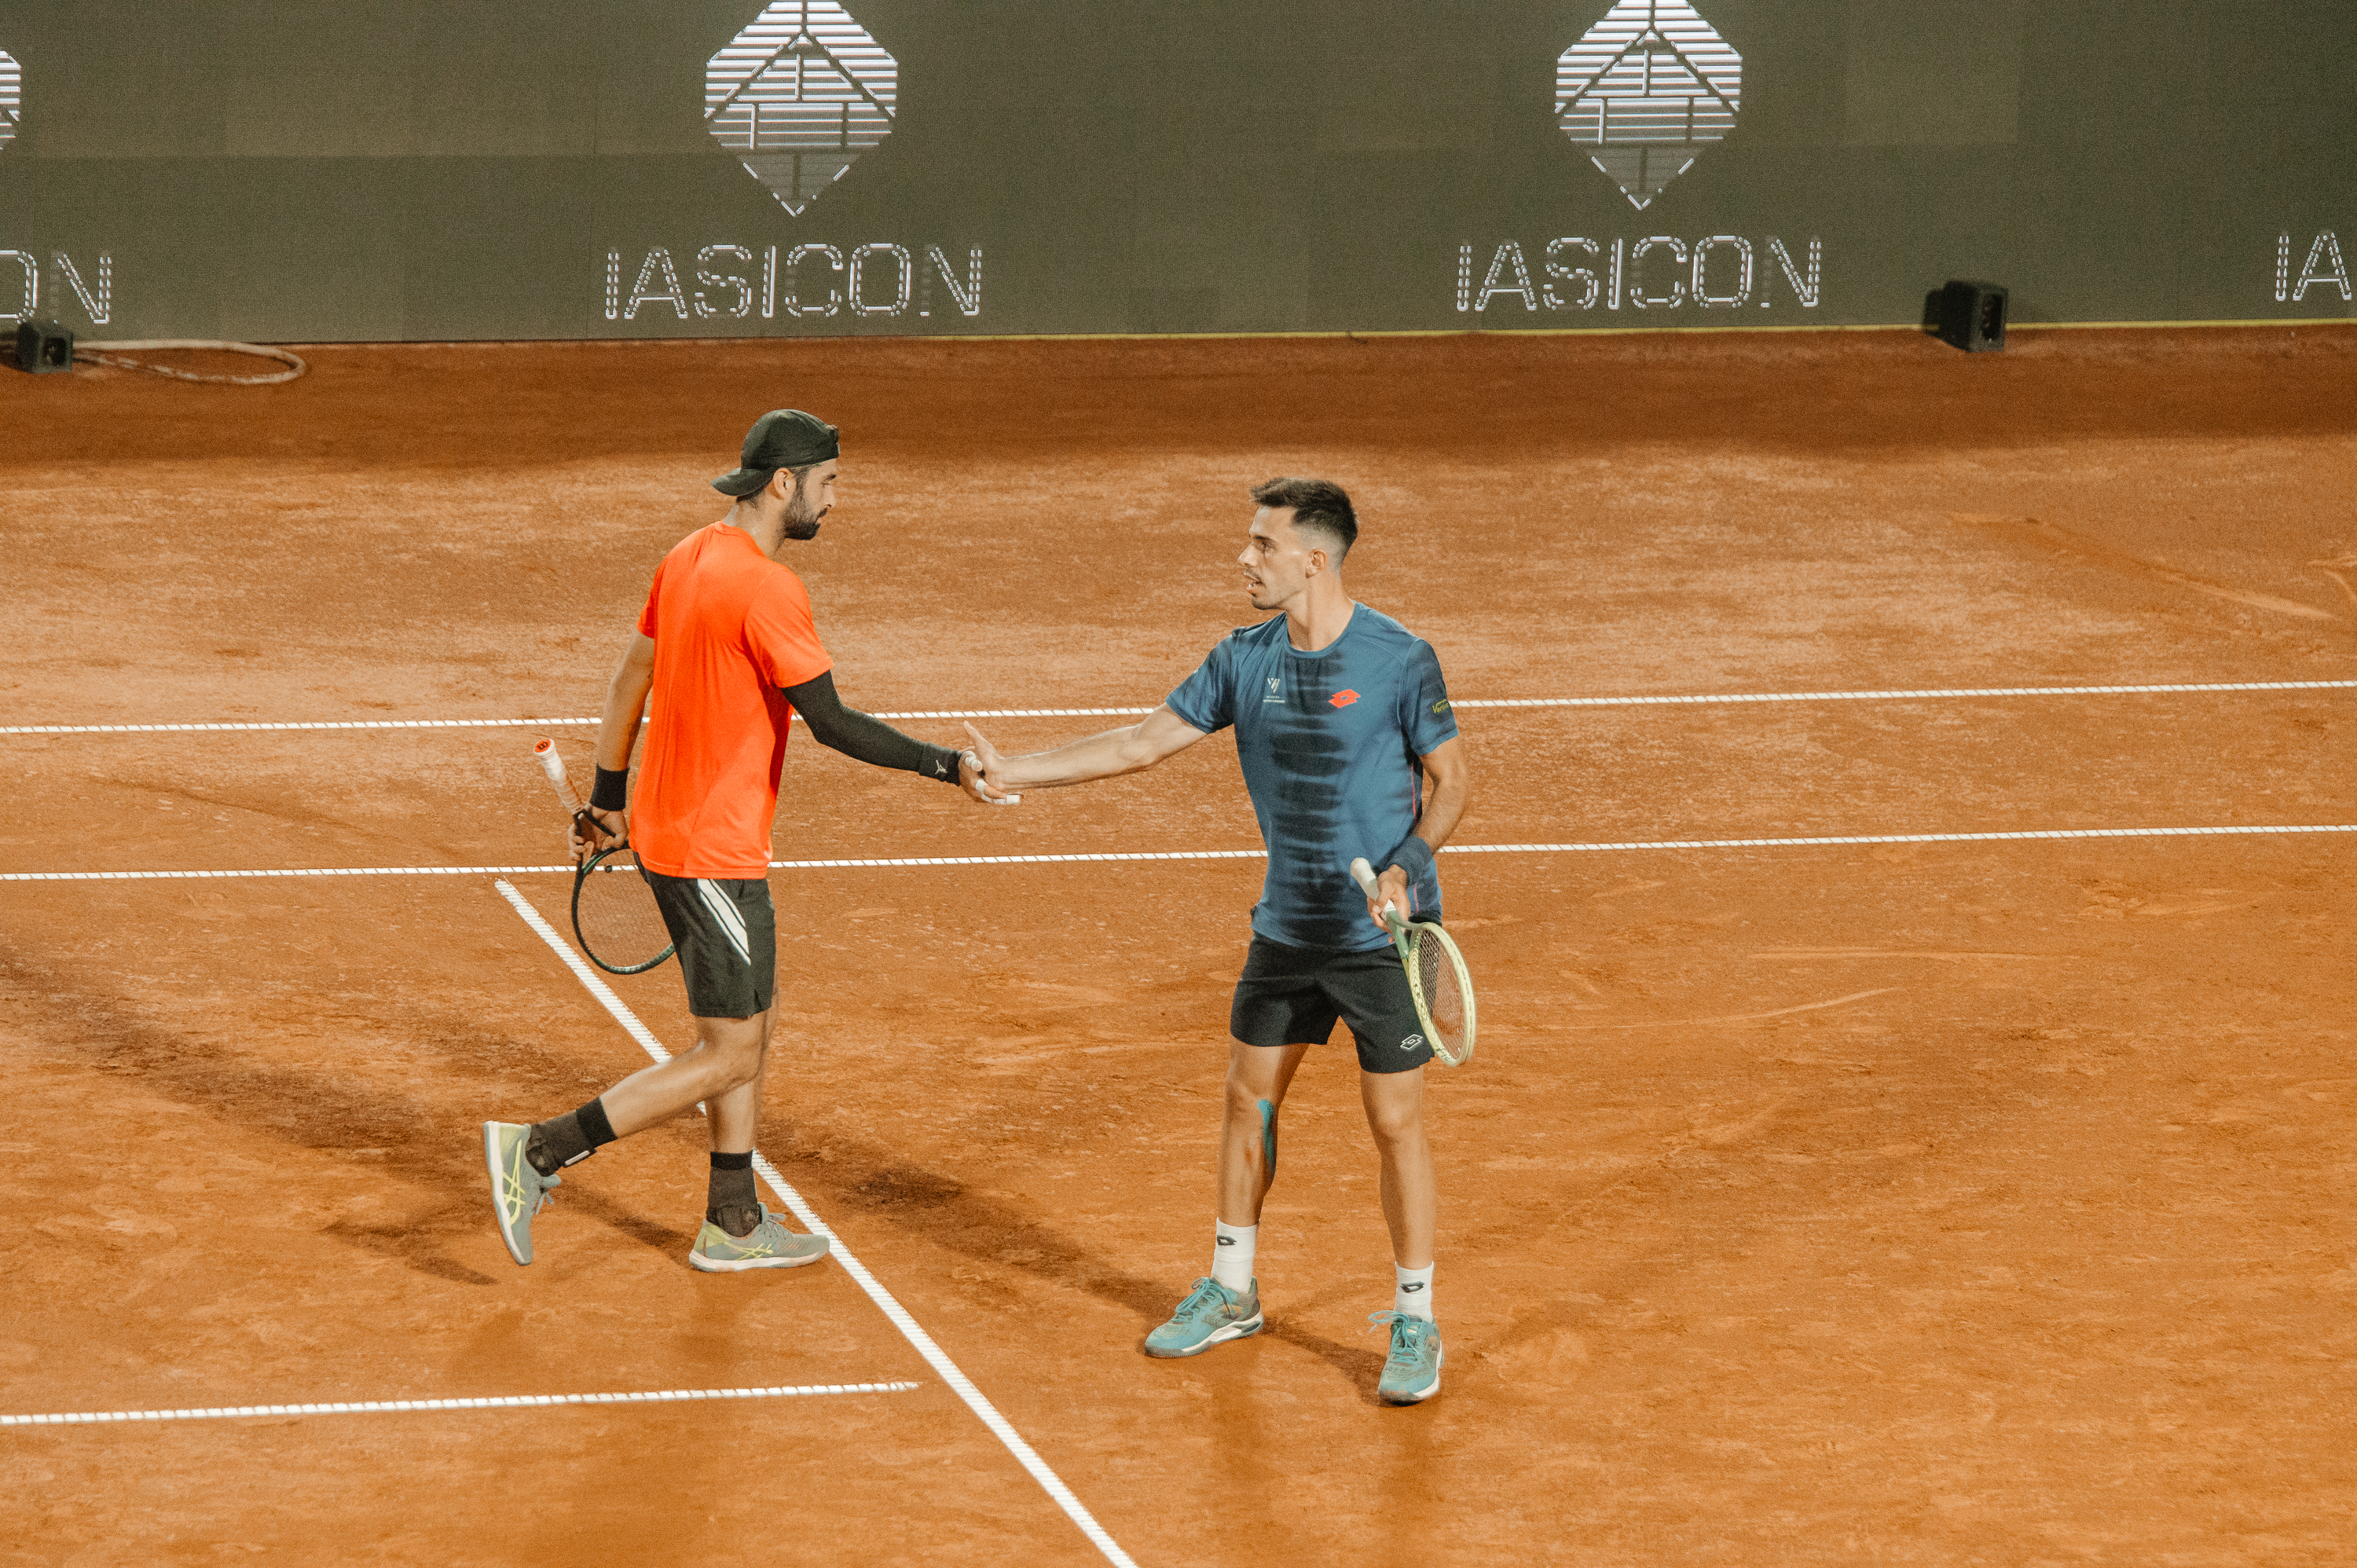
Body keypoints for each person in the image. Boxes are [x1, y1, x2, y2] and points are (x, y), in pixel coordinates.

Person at [963, 477, 1468, 1405]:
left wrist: (1404, 862)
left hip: (1381, 936)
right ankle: (1232, 1290)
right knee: (1249, 1103)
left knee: (1395, 1123)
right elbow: (1140, 742)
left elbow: (1453, 782)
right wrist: (1016, 772)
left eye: (1261, 545)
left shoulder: (1400, 658)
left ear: (1313, 559)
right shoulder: (1243, 658)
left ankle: (1416, 1316)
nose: (1245, 558)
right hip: (1288, 927)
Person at [484, 408, 1005, 1273]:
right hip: (711, 852)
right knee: (730, 1051)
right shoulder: (768, 588)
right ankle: (538, 1151)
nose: (834, 501)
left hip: (671, 831)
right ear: (783, 483)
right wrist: (945, 764)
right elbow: (831, 722)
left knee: (750, 1027)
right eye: (828, 482)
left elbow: (628, 681)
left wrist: (611, 799)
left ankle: (733, 1219)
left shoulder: (687, 556)